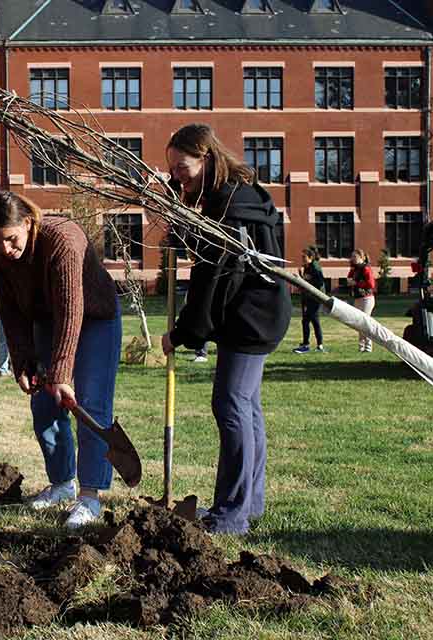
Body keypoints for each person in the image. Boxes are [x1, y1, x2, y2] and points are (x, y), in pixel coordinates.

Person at [160, 123, 291, 535]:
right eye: (173, 170)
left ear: (207, 158)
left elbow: (213, 278)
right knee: (246, 407)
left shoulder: (229, 207)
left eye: (182, 167)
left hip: (251, 317)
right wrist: (175, 209)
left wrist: (182, 333)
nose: (177, 175)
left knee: (231, 405)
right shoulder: (239, 196)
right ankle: (248, 505)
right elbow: (209, 256)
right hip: (260, 311)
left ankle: (232, 514)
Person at [0, 190, 121, 529]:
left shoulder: (63, 239)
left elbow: (71, 310)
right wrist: (23, 361)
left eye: (11, 239)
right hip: (45, 320)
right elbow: (11, 311)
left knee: (89, 404)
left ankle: (89, 497)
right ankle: (61, 484)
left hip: (94, 319)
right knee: (44, 404)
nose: (5, 249)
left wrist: (61, 372)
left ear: (28, 223)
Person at [293, 246, 326, 354]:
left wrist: (304, 279)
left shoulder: (315, 267)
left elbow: (320, 282)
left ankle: (310, 345)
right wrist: (301, 277)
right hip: (308, 298)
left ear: (311, 257)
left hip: (315, 299)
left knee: (310, 321)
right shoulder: (307, 267)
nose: (302, 259)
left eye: (304, 257)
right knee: (310, 321)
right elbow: (307, 282)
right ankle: (313, 345)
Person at [349, 248, 377, 352]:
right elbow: (350, 278)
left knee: (365, 322)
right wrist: (350, 281)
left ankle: (368, 346)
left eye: (355, 257)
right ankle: (361, 347)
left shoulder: (366, 268)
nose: (353, 259)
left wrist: (357, 283)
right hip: (357, 298)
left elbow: (371, 284)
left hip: (367, 298)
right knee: (359, 322)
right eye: (352, 257)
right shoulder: (354, 269)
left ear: (362, 257)